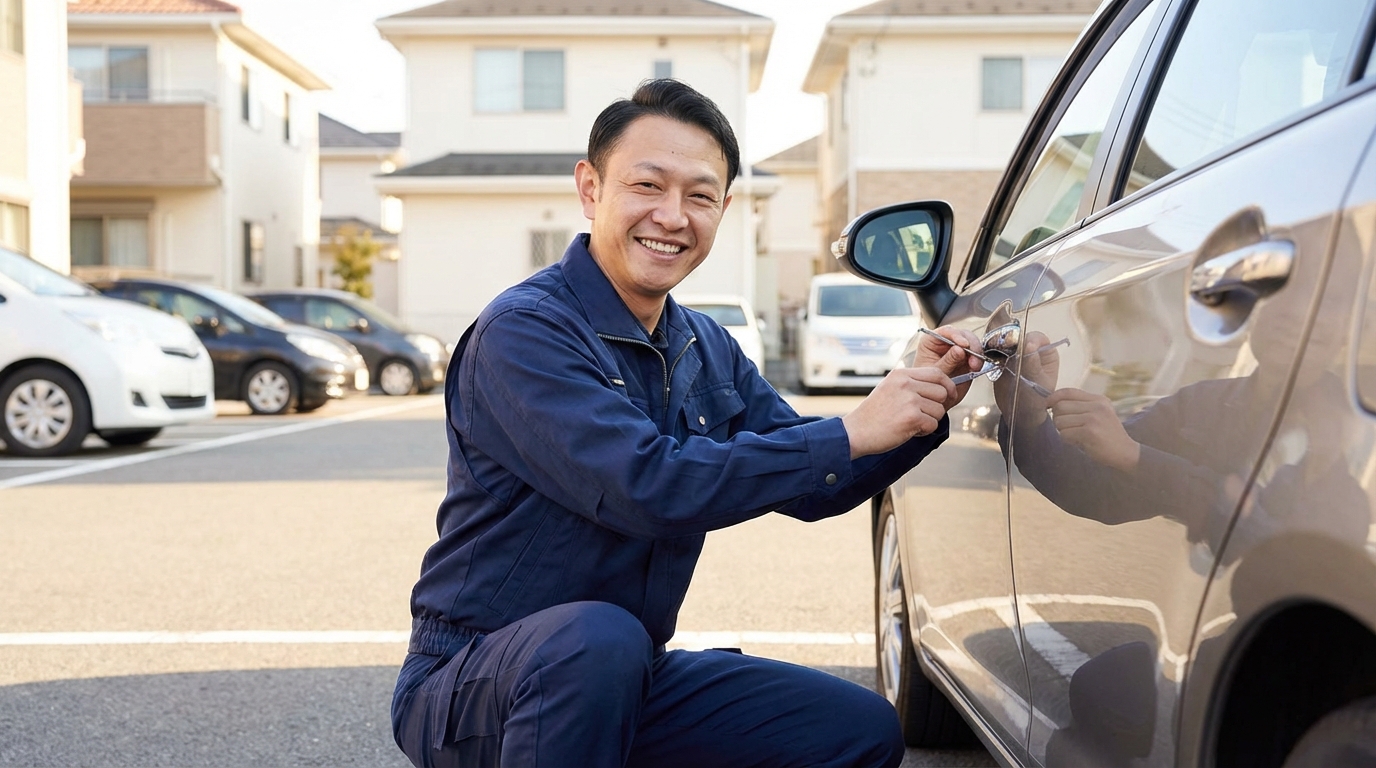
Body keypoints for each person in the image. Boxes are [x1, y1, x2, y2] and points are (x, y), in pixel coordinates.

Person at [390, 79, 982, 768]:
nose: (672, 216)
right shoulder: (525, 333)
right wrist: (852, 428)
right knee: (596, 641)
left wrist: (922, 404)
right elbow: (647, 487)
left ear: (723, 209)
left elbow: (813, 484)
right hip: (476, 683)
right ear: (591, 189)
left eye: (700, 196)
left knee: (855, 729)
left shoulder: (704, 344)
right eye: (648, 185)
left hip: (624, 674)